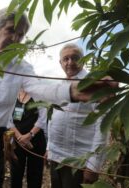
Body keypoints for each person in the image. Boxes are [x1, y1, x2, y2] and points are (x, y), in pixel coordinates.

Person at [0, 7, 116, 188]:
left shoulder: (22, 68)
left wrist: (75, 92)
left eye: (21, 34)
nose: (16, 38)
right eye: (11, 30)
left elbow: (40, 89)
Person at [47, 43, 112, 188]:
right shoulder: (59, 85)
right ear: (60, 63)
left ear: (83, 60)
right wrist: (49, 149)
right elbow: (52, 119)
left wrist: (93, 165)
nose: (70, 62)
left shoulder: (93, 84)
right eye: (66, 59)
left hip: (79, 160)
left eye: (75, 58)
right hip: (56, 157)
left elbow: (102, 126)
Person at [9, 89, 47, 188]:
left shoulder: (39, 94)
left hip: (36, 141)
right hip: (17, 141)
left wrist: (29, 135)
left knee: (35, 175)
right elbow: (7, 118)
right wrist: (19, 137)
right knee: (16, 175)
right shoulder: (12, 94)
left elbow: (43, 118)